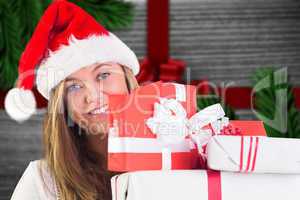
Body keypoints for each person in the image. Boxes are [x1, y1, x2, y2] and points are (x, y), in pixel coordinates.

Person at [5, 1, 140, 199]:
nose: (93, 96)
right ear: (63, 104)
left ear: (127, 78)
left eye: (103, 75)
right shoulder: (42, 182)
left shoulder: (176, 160)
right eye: (74, 87)